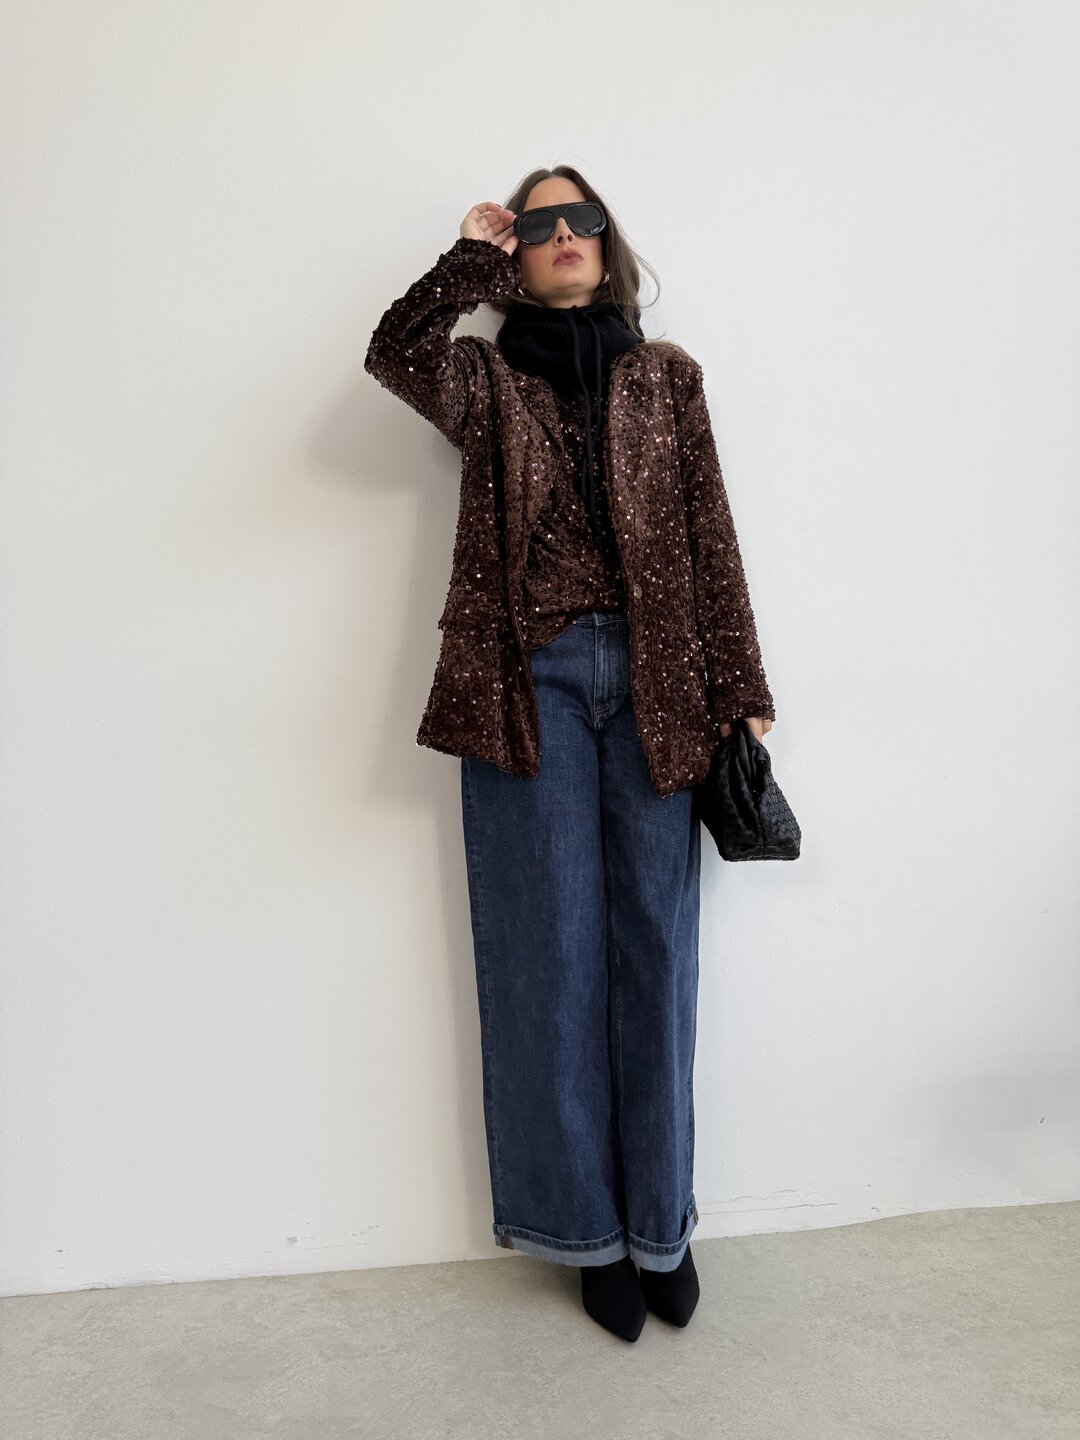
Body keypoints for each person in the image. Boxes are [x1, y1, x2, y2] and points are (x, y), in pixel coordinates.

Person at [365, 168, 776, 1342]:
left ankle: (661, 1228)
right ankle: (587, 1236)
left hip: (661, 688)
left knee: (657, 952)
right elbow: (395, 351)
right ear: (519, 255)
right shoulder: (484, 381)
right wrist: (469, 255)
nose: (560, 237)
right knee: (548, 958)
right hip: (526, 685)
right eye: (538, 225)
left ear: (608, 241)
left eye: (577, 220)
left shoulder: (667, 377)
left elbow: (709, 530)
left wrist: (741, 688)